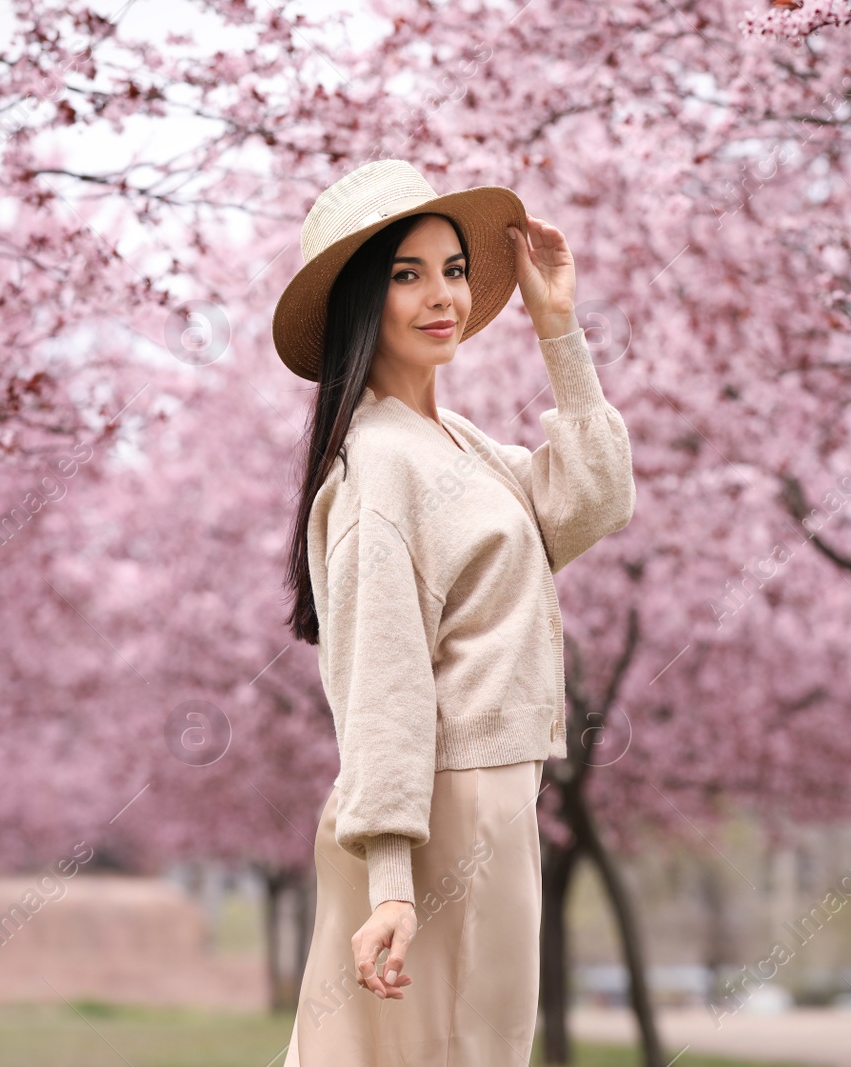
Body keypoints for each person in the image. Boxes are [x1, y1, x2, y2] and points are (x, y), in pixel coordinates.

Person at [277, 158, 635, 1065]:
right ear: (363, 298)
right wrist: (392, 882)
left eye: (453, 268)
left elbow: (592, 499)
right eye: (407, 274)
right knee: (461, 1049)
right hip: (446, 813)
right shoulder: (384, 467)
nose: (442, 295)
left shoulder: (454, 441)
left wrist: (560, 333)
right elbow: (384, 684)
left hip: (480, 800)